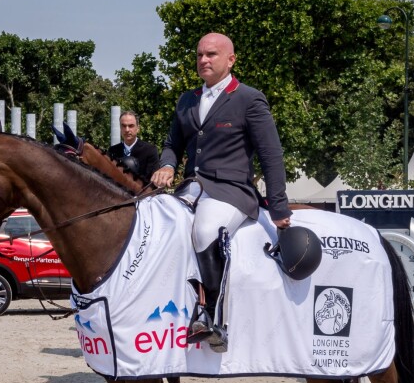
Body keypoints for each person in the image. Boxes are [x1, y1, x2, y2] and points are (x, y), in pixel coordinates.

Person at [151, 32, 291, 353]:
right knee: (158, 225)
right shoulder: (187, 100)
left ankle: (211, 317)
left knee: (204, 229)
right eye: (199, 54)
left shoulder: (248, 98)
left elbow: (271, 155)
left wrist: (280, 208)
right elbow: (172, 144)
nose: (203, 60)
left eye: (211, 54)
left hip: (232, 190)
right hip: (191, 187)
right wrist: (168, 165)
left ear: (231, 60)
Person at [108, 111, 159, 183]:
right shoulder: (113, 151)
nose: (127, 130)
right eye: (124, 126)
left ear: (138, 128)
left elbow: (151, 181)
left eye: (131, 126)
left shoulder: (150, 150)